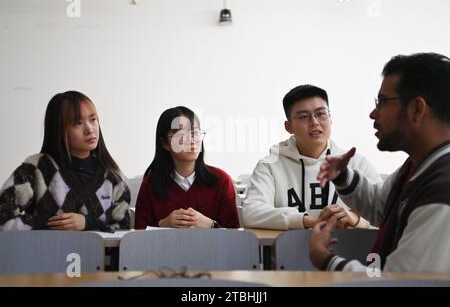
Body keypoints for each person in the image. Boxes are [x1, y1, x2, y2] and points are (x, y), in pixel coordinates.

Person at [311, 53, 450, 273]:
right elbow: (380, 205)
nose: (373, 113)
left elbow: (398, 282)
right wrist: (342, 176)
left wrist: (327, 261)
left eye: (383, 102)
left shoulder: (442, 191)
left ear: (416, 109)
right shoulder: (419, 166)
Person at [242, 85, 381, 230]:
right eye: (303, 116)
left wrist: (355, 219)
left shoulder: (356, 163)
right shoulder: (270, 165)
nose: (314, 122)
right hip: (290, 250)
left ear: (330, 118)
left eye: (320, 114)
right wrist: (306, 221)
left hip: (348, 251)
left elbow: (386, 213)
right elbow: (251, 212)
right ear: (289, 126)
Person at [0, 91, 130, 232]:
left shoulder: (114, 178)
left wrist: (87, 224)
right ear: (59, 129)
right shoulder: (36, 169)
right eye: (78, 123)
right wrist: (52, 224)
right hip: (45, 253)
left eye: (93, 119)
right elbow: (3, 216)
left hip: (96, 254)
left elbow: (124, 230)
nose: (89, 129)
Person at [134, 106, 240, 229]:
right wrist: (162, 225)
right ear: (165, 143)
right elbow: (139, 238)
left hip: (211, 249)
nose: (191, 139)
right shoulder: (150, 184)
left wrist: (211, 225)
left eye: (195, 132)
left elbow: (234, 236)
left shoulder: (221, 180)